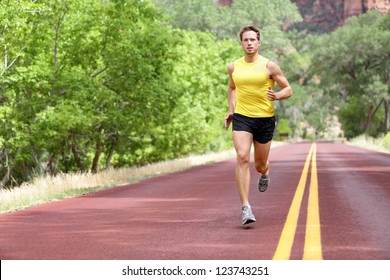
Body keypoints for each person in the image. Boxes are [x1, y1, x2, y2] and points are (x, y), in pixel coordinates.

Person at [224, 25, 292, 225]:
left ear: (259, 43)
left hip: (264, 119)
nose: (249, 43)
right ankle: (246, 207)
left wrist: (277, 95)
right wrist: (231, 109)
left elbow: (288, 89)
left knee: (259, 164)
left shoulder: (269, 66)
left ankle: (265, 170)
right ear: (241, 43)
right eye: (246, 40)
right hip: (242, 117)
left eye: (253, 40)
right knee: (242, 156)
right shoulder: (234, 67)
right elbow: (232, 87)